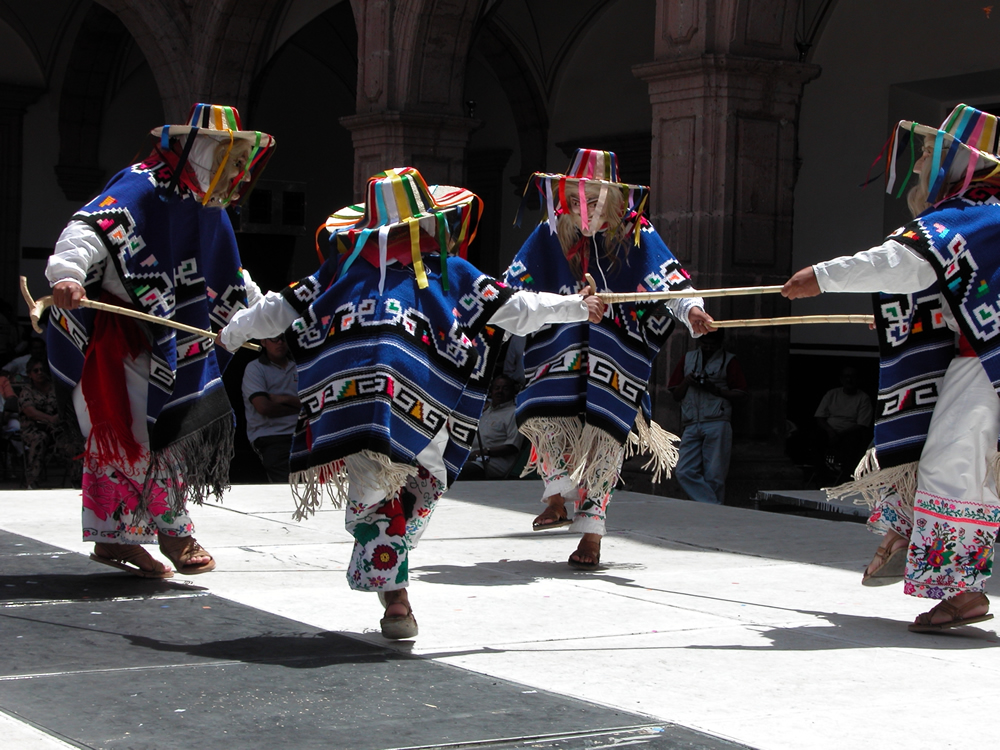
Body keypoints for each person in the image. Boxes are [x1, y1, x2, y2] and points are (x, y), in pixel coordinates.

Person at [219, 167, 604, 639]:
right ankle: (396, 599)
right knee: (380, 494)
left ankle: (389, 569)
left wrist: (234, 332)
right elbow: (518, 311)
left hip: (415, 409)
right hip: (368, 410)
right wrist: (234, 331)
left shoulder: (445, 272)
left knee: (420, 486)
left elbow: (515, 307)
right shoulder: (349, 272)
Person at [782, 103, 1000, 633]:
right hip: (980, 358)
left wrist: (824, 277)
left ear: (959, 160)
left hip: (987, 363)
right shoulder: (986, 213)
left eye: (930, 151)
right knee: (955, 461)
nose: (921, 161)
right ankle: (927, 551)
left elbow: (903, 265)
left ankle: (963, 591)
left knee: (954, 464)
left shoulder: (975, 214)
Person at [45, 103, 275, 577]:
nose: (232, 165)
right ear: (190, 146)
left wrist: (263, 313)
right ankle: (166, 534)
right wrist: (68, 274)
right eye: (222, 150)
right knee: (135, 439)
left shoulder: (207, 203)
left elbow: (227, 274)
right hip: (126, 341)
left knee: (162, 436)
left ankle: (121, 539)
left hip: (177, 343)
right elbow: (87, 228)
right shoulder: (139, 185)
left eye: (237, 155)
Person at [504, 148, 714, 569]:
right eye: (580, 198)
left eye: (598, 199)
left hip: (615, 354)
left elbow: (669, 284)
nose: (588, 209)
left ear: (616, 200)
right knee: (540, 415)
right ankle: (557, 493)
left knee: (605, 438)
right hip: (558, 348)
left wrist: (692, 310)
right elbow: (511, 288)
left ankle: (592, 533)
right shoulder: (548, 234)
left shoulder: (637, 233)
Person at [667, 329, 747, 505]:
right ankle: (713, 506)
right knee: (683, 470)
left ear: (720, 345)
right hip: (691, 420)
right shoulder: (689, 358)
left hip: (717, 420)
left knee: (715, 475)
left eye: (713, 346)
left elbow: (740, 392)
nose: (709, 349)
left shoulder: (728, 360)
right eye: (705, 345)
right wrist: (688, 381)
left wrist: (716, 390)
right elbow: (675, 393)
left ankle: (710, 512)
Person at [17, 357, 82, 489]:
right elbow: (30, 411)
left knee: (73, 443)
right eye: (36, 370)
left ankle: (78, 481)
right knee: (40, 440)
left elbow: (67, 405)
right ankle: (32, 481)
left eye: (42, 370)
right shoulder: (27, 391)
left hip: (58, 429)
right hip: (34, 429)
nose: (40, 373)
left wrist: (60, 416)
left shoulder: (55, 389)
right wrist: (49, 418)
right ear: (30, 374)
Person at [242, 333, 299, 482]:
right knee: (287, 486)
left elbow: (317, 399)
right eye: (274, 338)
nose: (280, 342)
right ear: (263, 341)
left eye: (283, 338)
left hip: (302, 433)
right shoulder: (255, 368)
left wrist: (284, 399)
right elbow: (264, 408)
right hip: (271, 435)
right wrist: (298, 407)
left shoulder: (299, 364)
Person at [813, 365, 872, 481]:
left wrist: (839, 434)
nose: (849, 380)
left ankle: (845, 478)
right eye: (846, 377)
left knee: (854, 442)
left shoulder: (863, 398)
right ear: (841, 379)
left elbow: (861, 424)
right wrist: (830, 432)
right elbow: (819, 416)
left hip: (849, 433)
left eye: (852, 377)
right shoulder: (832, 394)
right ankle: (821, 476)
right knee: (815, 438)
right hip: (829, 432)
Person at [459, 374, 524, 479]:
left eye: (505, 388)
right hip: (471, 458)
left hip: (492, 463)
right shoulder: (485, 411)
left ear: (513, 392)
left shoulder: (514, 413)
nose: (500, 391)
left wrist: (484, 451)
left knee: (459, 472)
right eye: (497, 388)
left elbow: (513, 447)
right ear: (491, 391)